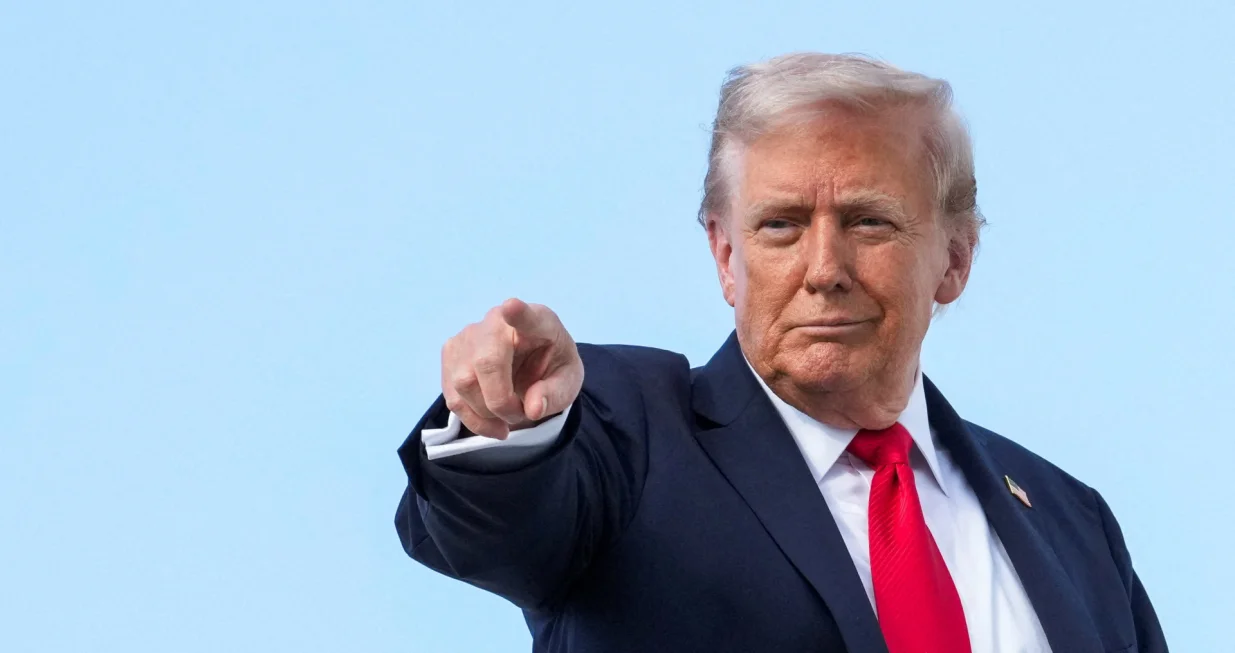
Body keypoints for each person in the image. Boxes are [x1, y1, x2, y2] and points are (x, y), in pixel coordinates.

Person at [393, 53, 1168, 653]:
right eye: (780, 226)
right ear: (725, 257)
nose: (823, 268)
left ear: (956, 259)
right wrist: (504, 424)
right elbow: (501, 526)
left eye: (869, 222)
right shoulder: (626, 437)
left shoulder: (1073, 521)